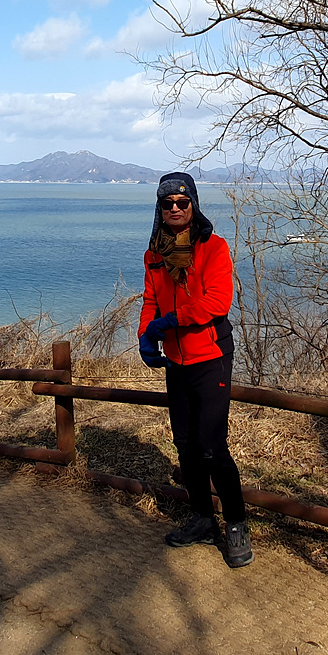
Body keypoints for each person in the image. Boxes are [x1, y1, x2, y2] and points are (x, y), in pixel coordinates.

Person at [138, 172, 253, 568]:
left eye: (182, 202)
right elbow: (150, 300)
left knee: (211, 446)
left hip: (210, 357)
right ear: (160, 207)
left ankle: (236, 523)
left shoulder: (213, 247)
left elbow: (217, 302)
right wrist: (146, 336)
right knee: (185, 445)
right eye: (167, 203)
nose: (175, 208)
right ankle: (202, 518)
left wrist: (170, 321)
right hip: (176, 360)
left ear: (193, 204)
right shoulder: (155, 253)